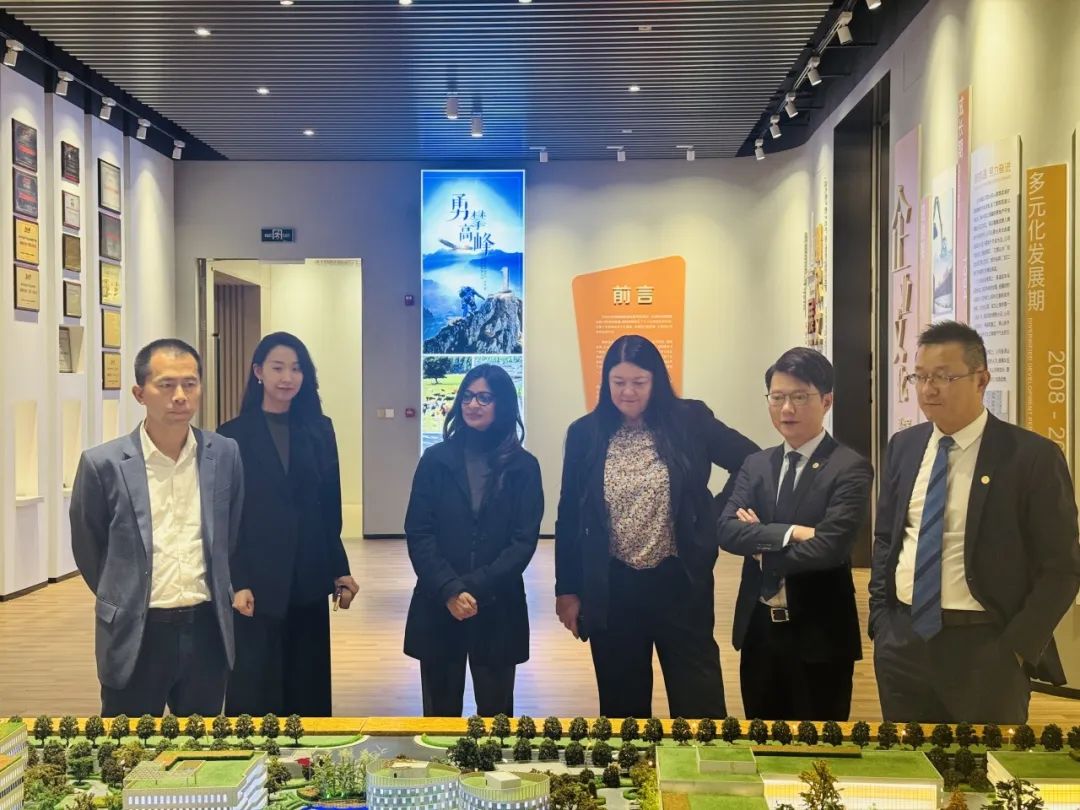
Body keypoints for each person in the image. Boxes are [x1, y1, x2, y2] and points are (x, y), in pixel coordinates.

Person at [870, 321, 1080, 723]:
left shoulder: (1030, 457)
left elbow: (1062, 567)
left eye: (944, 377)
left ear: (981, 379)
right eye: (920, 376)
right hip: (903, 644)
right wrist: (883, 622)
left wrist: (1017, 647)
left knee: (985, 758)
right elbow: (887, 539)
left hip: (985, 647)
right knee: (908, 757)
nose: (928, 389)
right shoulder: (904, 447)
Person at [554, 334, 758, 719]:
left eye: (639, 382)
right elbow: (568, 516)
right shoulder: (586, 433)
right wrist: (566, 589)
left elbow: (751, 461)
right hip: (613, 587)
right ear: (605, 382)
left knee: (699, 703)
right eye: (618, 382)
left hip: (679, 582)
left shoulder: (689, 420)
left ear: (656, 381)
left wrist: (715, 515)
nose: (628, 392)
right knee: (623, 709)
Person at [70, 339, 244, 716]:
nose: (180, 396)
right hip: (137, 630)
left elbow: (229, 534)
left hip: (206, 628)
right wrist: (123, 593)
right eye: (166, 385)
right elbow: (88, 546)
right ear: (139, 393)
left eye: (190, 384)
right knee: (128, 743)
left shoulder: (224, 454)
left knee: (202, 744)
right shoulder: (103, 464)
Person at [718, 347, 872, 720]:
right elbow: (727, 530)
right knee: (762, 739)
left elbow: (830, 548)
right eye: (778, 397)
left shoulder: (849, 467)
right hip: (759, 633)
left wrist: (762, 545)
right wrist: (794, 532)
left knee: (819, 744)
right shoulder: (756, 465)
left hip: (820, 636)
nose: (787, 409)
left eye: (800, 397)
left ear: (827, 401)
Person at [219, 332, 358, 717]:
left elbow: (329, 508)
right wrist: (237, 580)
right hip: (257, 581)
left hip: (308, 574)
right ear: (258, 371)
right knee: (255, 686)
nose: (287, 377)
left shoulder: (320, 429)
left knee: (307, 685)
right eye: (278, 367)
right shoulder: (232, 435)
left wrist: (340, 569)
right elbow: (228, 518)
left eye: (296, 369)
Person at [404, 364, 543, 716]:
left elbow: (523, 542)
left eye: (484, 397)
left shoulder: (524, 467)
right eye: (467, 396)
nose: (472, 405)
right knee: (439, 719)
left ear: (503, 404)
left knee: (497, 721)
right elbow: (419, 532)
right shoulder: (435, 460)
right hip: (439, 604)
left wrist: (473, 588)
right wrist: (450, 589)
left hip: (497, 606)